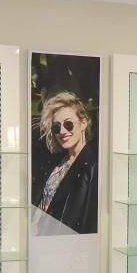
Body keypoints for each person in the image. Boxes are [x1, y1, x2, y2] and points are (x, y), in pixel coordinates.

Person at [31, 92, 98, 234]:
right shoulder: (55, 161)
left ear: (83, 123)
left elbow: (89, 221)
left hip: (63, 241)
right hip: (40, 237)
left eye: (68, 124)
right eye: (56, 127)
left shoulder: (92, 166)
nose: (62, 131)